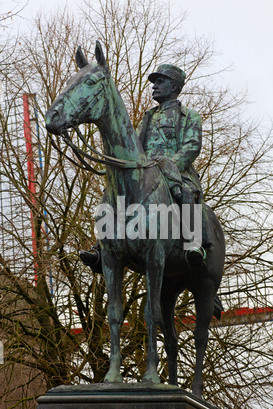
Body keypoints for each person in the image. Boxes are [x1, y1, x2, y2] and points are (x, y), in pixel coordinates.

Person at [80, 64, 213, 272]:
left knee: (186, 193)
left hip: (176, 170)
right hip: (144, 171)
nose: (154, 86)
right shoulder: (148, 116)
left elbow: (192, 146)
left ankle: (192, 244)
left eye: (160, 82)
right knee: (112, 192)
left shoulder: (190, 116)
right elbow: (135, 146)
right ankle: (101, 247)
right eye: (154, 82)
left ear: (174, 86)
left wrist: (171, 166)